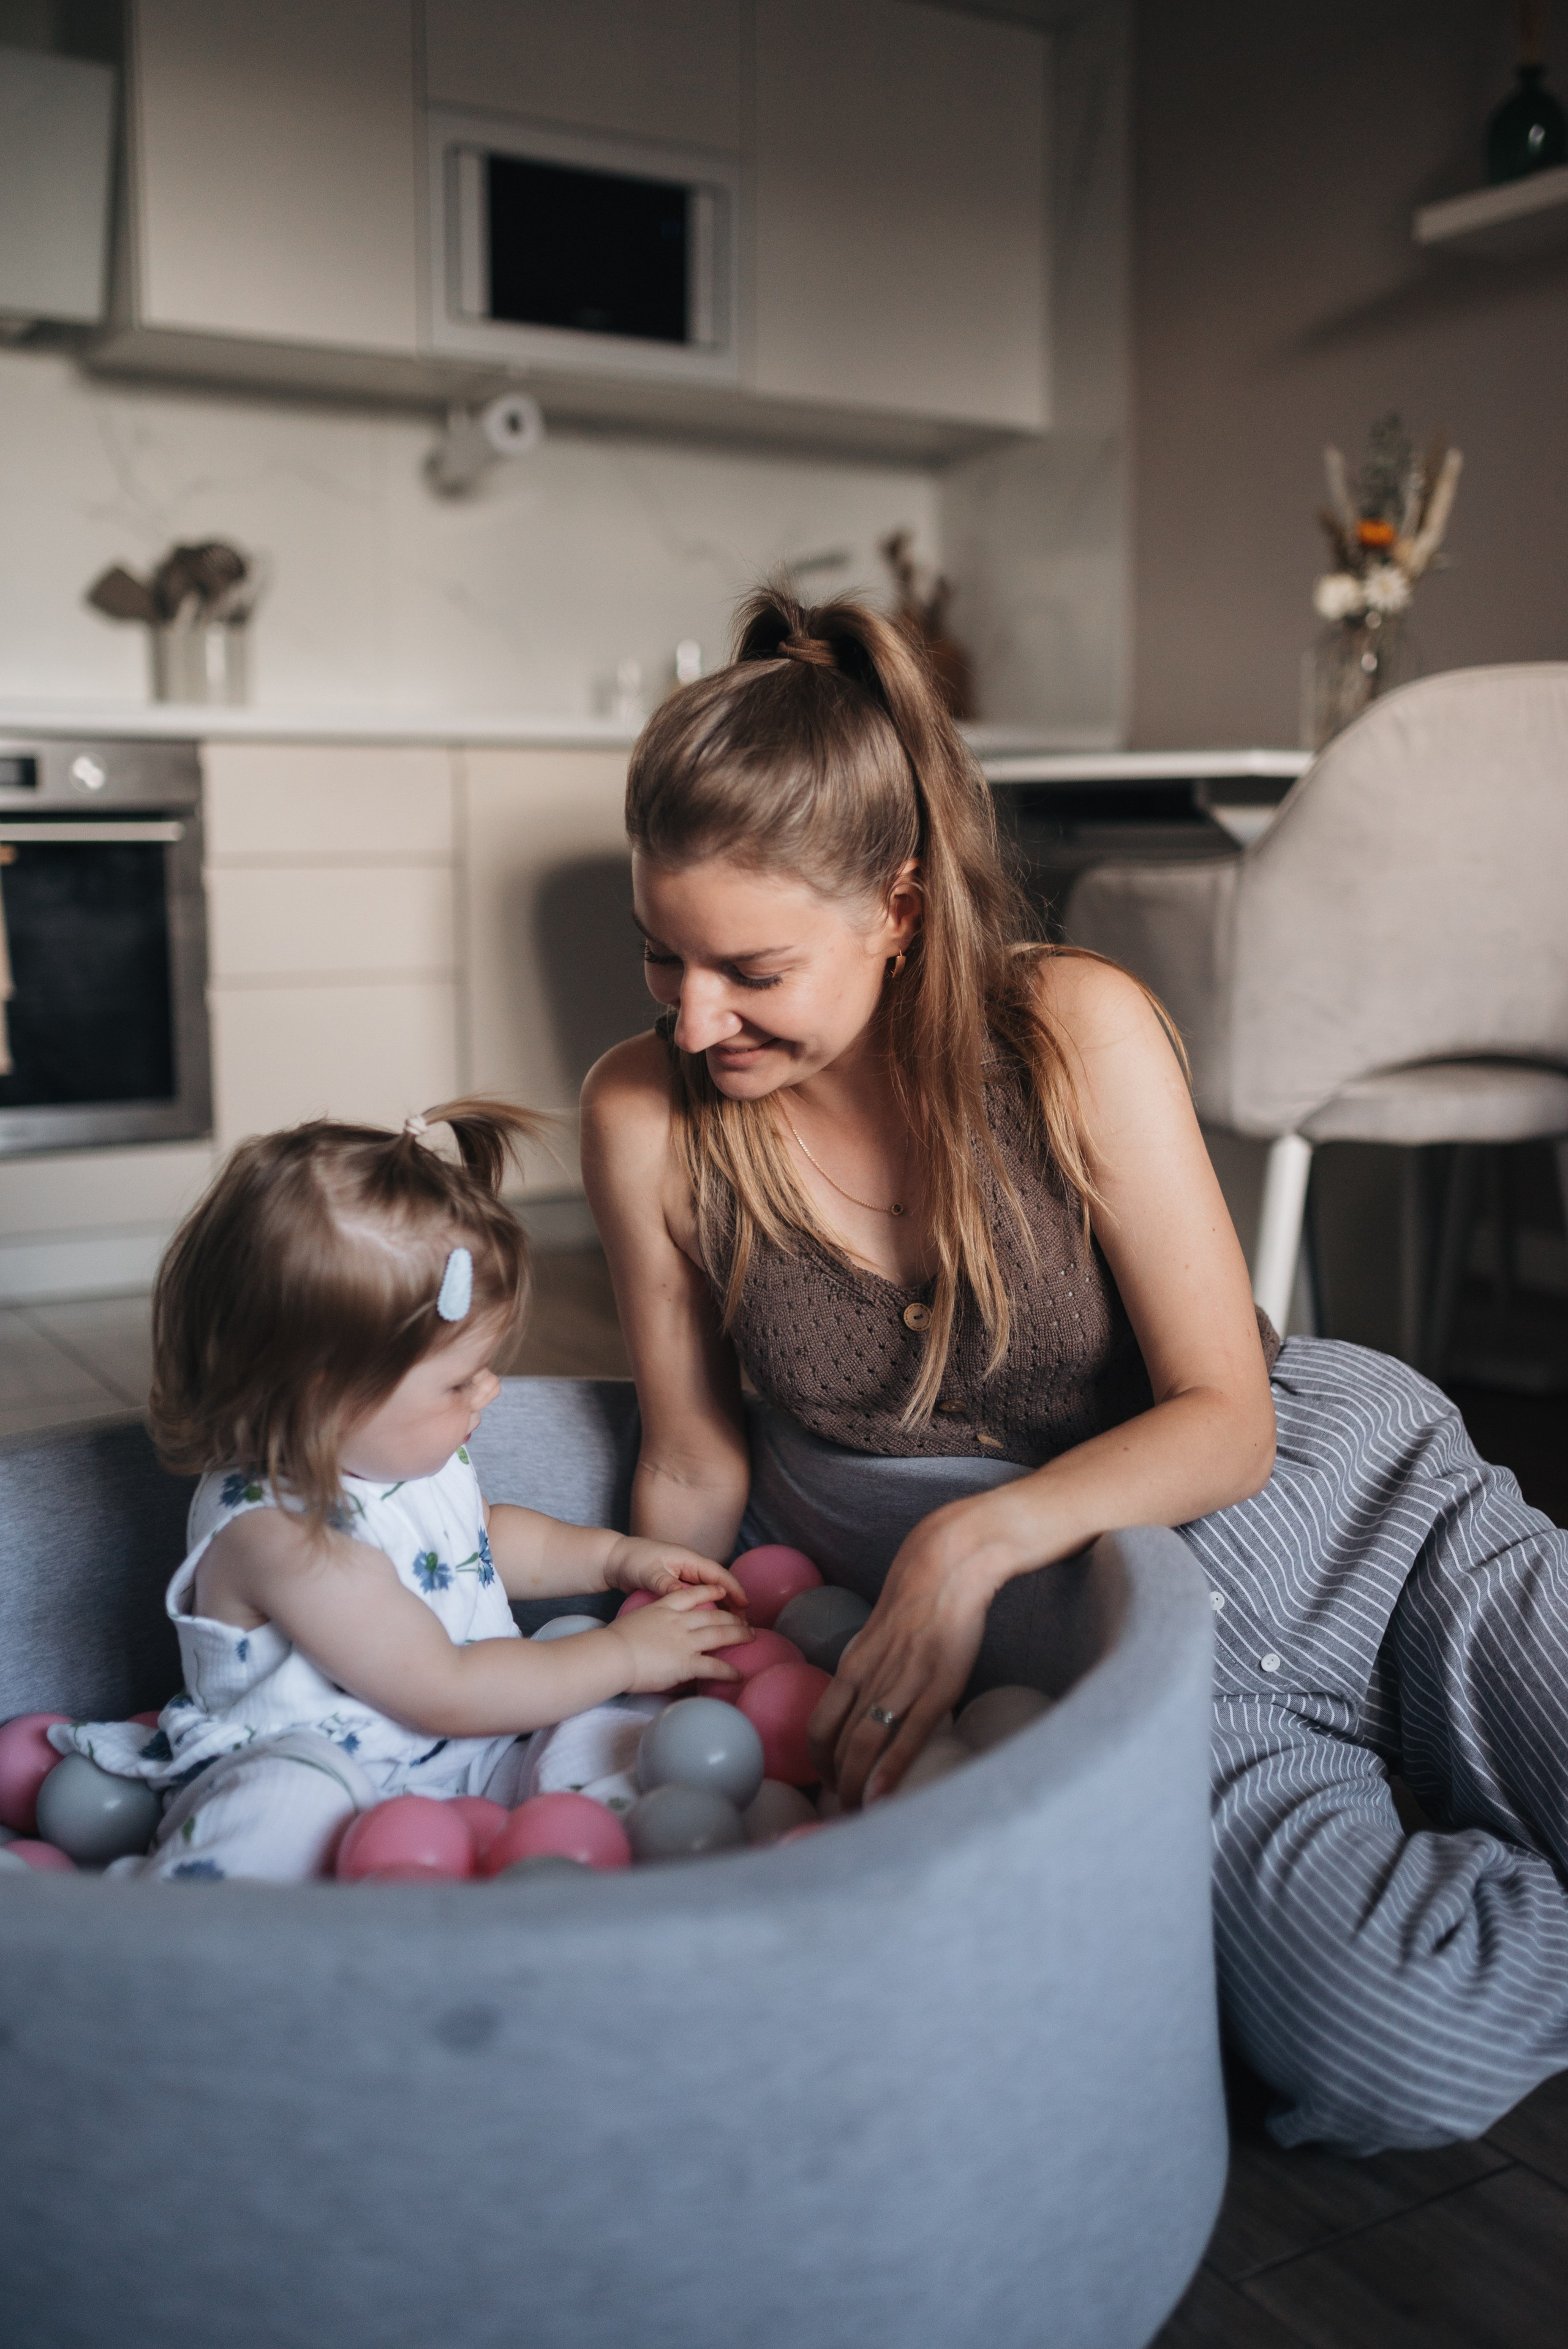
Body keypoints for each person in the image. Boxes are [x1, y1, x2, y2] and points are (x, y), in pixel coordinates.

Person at [581, 582, 1568, 2156]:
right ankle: (1450, 1829)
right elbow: (693, 1459)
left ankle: (1466, 1781)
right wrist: (598, 1700)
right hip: (1122, 1646)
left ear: (894, 906)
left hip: (1360, 1521)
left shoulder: (1070, 1026)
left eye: (749, 970)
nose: (695, 1018)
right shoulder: (647, 1114)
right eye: (659, 957)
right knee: (1395, 2049)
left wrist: (965, 1536)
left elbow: (1225, 1414)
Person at [55, 1101, 748, 1882]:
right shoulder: (277, 1535)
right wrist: (621, 1652)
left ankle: (607, 1880)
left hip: (475, 1756)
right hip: (343, 1769)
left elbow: (479, 1542)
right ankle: (174, 1941)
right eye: (457, 1381)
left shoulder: (405, 1455)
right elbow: (442, 1690)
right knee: (289, 1804)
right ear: (324, 1398)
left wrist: (618, 1559)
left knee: (606, 1734)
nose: (488, 1391)